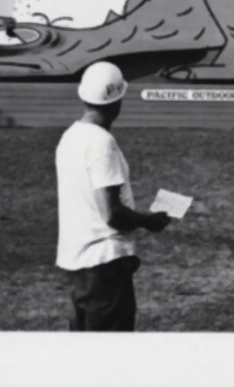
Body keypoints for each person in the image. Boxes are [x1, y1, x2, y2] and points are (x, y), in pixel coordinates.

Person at [55, 62, 170, 331]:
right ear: (117, 101)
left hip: (80, 263)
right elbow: (111, 213)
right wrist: (147, 221)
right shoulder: (101, 143)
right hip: (104, 264)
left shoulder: (70, 137)